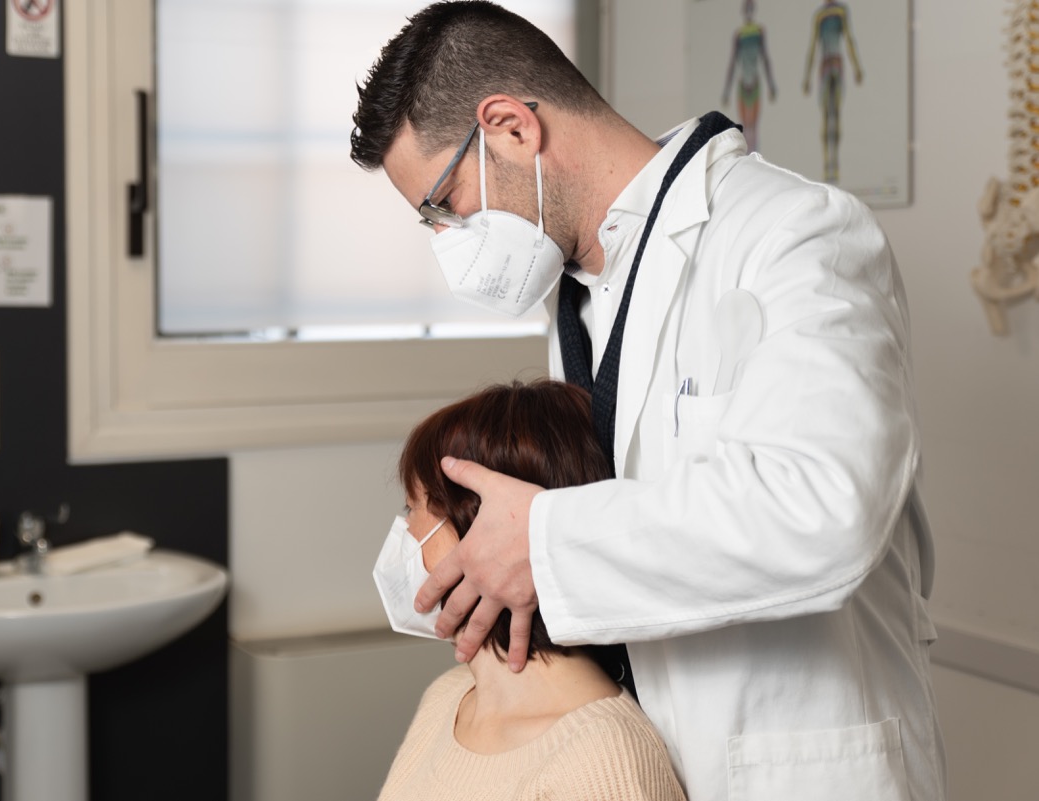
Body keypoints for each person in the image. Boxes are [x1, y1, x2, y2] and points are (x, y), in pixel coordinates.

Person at [351, 3, 946, 800]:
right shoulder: (578, 294)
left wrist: (546, 547)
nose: (448, 239)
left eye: (444, 204)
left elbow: (826, 507)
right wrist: (470, 555)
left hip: (794, 765)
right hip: (636, 761)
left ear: (512, 128)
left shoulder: (795, 234)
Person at [374, 380, 686, 801]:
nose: (404, 532)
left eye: (411, 508)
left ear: (481, 526)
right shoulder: (447, 700)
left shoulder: (600, 758)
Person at [802, 0, 864, 184]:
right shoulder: (821, 15)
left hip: (833, 65)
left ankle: (833, 163)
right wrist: (807, 77)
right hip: (829, 66)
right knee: (827, 115)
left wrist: (856, 67)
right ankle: (827, 163)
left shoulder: (840, 11)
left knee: (834, 115)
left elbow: (849, 39)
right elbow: (813, 46)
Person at [721, 0, 777, 154]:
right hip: (744, 83)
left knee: (752, 126)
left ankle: (754, 156)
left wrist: (771, 84)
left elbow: (765, 58)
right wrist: (726, 91)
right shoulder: (739, 35)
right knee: (747, 125)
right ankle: (750, 156)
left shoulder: (759, 32)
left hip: (753, 82)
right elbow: (733, 62)